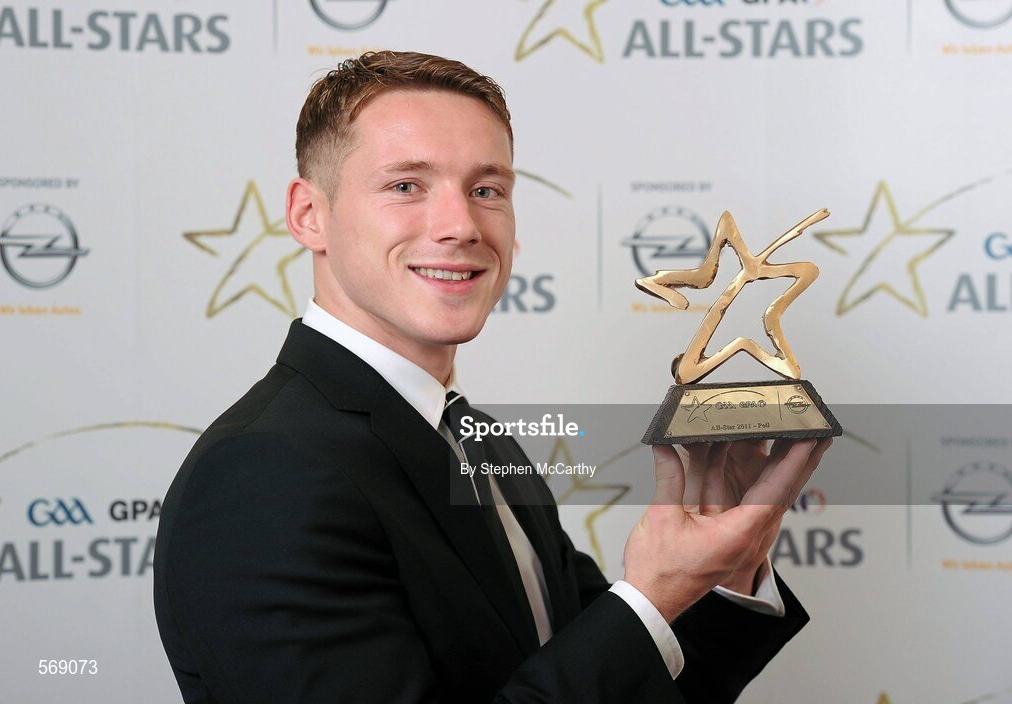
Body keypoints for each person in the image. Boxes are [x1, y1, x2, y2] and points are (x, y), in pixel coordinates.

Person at [153, 50, 833, 703]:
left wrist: (725, 560)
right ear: (310, 215)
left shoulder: (475, 439)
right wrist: (652, 595)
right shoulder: (264, 472)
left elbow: (622, 677)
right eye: (405, 186)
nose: (460, 225)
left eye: (487, 189)